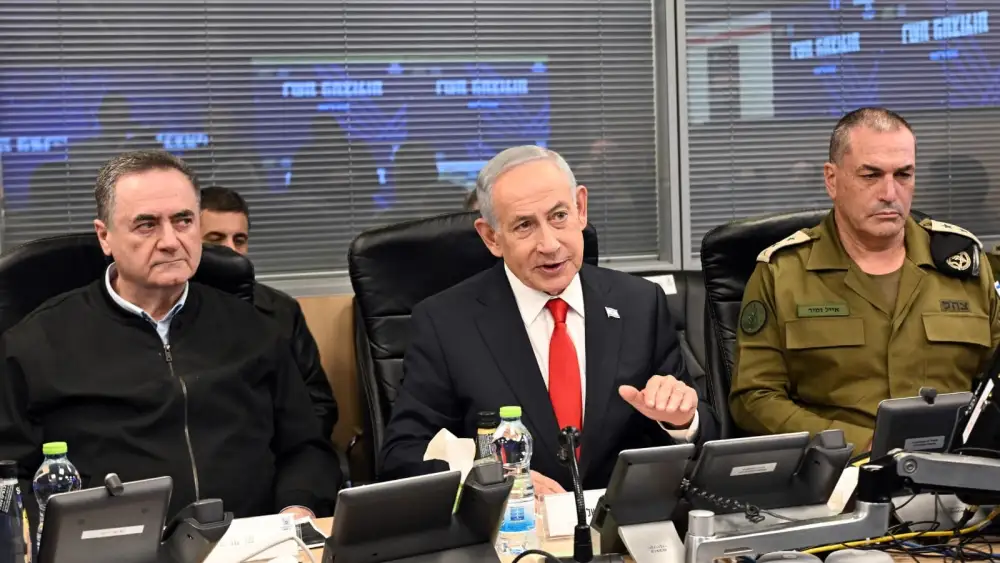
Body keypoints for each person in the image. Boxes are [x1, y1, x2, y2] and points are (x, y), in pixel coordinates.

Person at [0, 150, 342, 524]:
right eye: (146, 224)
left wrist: (298, 508)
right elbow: (9, 477)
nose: (169, 240)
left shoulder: (254, 327)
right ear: (105, 237)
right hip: (114, 549)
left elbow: (306, 447)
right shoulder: (36, 344)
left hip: (252, 542)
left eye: (183, 221)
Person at [380, 145, 718, 495]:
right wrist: (492, 477)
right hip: (511, 534)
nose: (549, 244)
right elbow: (402, 456)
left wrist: (681, 422)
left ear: (581, 209)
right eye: (525, 225)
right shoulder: (445, 324)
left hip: (618, 529)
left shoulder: (639, 304)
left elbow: (705, 435)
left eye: (559, 216)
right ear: (491, 237)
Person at [731, 108, 1000, 454]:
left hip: (958, 477)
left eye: (903, 175)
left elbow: (994, 381)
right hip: (839, 479)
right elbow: (753, 399)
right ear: (832, 180)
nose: (890, 192)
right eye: (870, 175)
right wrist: (861, 444)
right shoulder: (783, 272)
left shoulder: (962, 267)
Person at [199, 185, 339, 439]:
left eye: (239, 240)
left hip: (282, 451)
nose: (231, 250)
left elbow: (320, 404)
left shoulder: (282, 310)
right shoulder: (174, 312)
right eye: (216, 239)